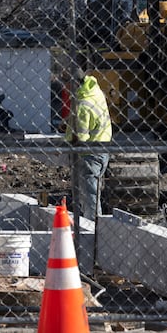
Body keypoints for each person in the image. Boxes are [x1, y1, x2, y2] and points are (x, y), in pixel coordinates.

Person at [65, 69, 112, 221]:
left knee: (89, 197)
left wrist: (67, 143)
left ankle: (92, 229)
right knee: (93, 192)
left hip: (88, 154)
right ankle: (90, 225)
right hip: (103, 148)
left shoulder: (83, 105)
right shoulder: (95, 91)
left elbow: (81, 137)